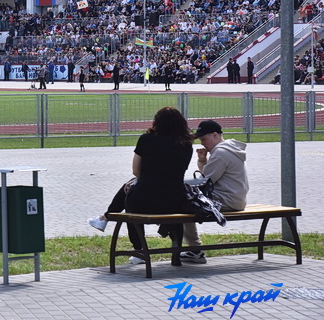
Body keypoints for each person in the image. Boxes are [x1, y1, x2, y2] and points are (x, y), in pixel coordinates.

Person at [87, 107, 193, 266]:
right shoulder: (186, 145)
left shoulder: (147, 139)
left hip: (145, 200)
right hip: (175, 201)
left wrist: (139, 179)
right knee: (133, 188)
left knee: (130, 194)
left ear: (157, 122)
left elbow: (136, 171)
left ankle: (137, 248)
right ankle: (175, 252)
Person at [180, 120, 249, 264]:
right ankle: (192, 248)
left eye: (204, 139)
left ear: (215, 135)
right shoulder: (231, 148)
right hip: (236, 199)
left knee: (183, 202)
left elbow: (204, 181)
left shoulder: (220, 153)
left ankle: (195, 249)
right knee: (185, 199)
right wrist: (203, 161)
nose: (202, 143)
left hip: (225, 200)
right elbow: (209, 178)